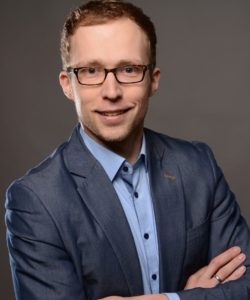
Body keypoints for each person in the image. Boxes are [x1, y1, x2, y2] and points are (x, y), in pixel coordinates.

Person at [5, 1, 250, 299]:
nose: (111, 91)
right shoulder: (35, 200)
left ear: (153, 81)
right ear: (68, 84)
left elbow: (246, 285)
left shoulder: (199, 165)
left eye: (129, 69)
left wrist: (165, 299)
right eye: (91, 70)